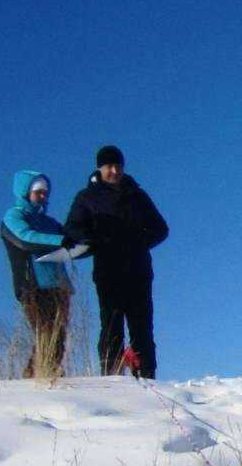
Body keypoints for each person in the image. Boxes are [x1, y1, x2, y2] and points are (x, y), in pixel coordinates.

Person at [64, 144, 168, 378]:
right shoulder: (87, 197)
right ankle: (111, 376)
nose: (114, 171)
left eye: (118, 166)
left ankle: (147, 376)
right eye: (109, 166)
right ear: (99, 168)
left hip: (139, 271)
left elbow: (161, 228)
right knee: (112, 325)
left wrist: (138, 242)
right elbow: (72, 228)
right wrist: (94, 240)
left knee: (142, 326)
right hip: (108, 271)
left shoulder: (137, 195)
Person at [0, 170, 73, 378]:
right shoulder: (14, 216)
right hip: (32, 285)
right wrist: (60, 241)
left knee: (58, 336)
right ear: (25, 192)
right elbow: (25, 239)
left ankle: (44, 375)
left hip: (58, 285)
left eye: (45, 192)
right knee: (45, 332)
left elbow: (72, 240)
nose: (43, 196)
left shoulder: (50, 223)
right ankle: (37, 377)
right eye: (38, 192)